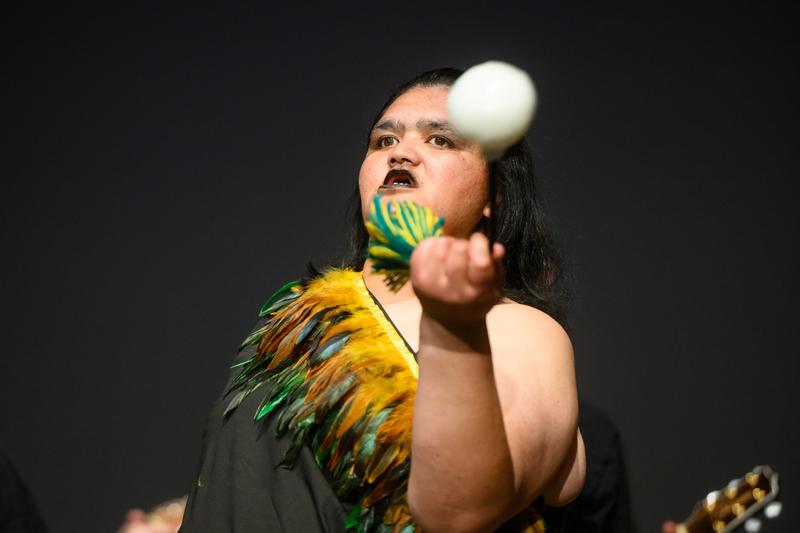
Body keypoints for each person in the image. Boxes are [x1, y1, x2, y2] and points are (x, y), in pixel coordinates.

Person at [180, 67, 585, 533]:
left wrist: (454, 329)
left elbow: (460, 514)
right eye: (384, 141)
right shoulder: (296, 320)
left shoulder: (519, 331)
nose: (401, 152)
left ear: (494, 193)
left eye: (440, 140)